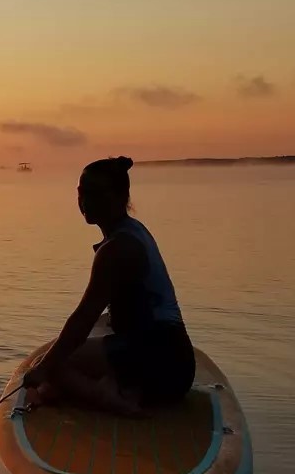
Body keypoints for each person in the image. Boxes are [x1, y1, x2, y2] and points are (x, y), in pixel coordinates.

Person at [23, 156, 195, 415]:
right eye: (81, 193)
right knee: (94, 330)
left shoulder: (118, 249)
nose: (85, 201)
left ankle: (118, 402)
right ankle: (113, 385)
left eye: (95, 194)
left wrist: (42, 368)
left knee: (53, 364)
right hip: (171, 359)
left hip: (163, 364)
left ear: (119, 196)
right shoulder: (133, 230)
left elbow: (83, 318)